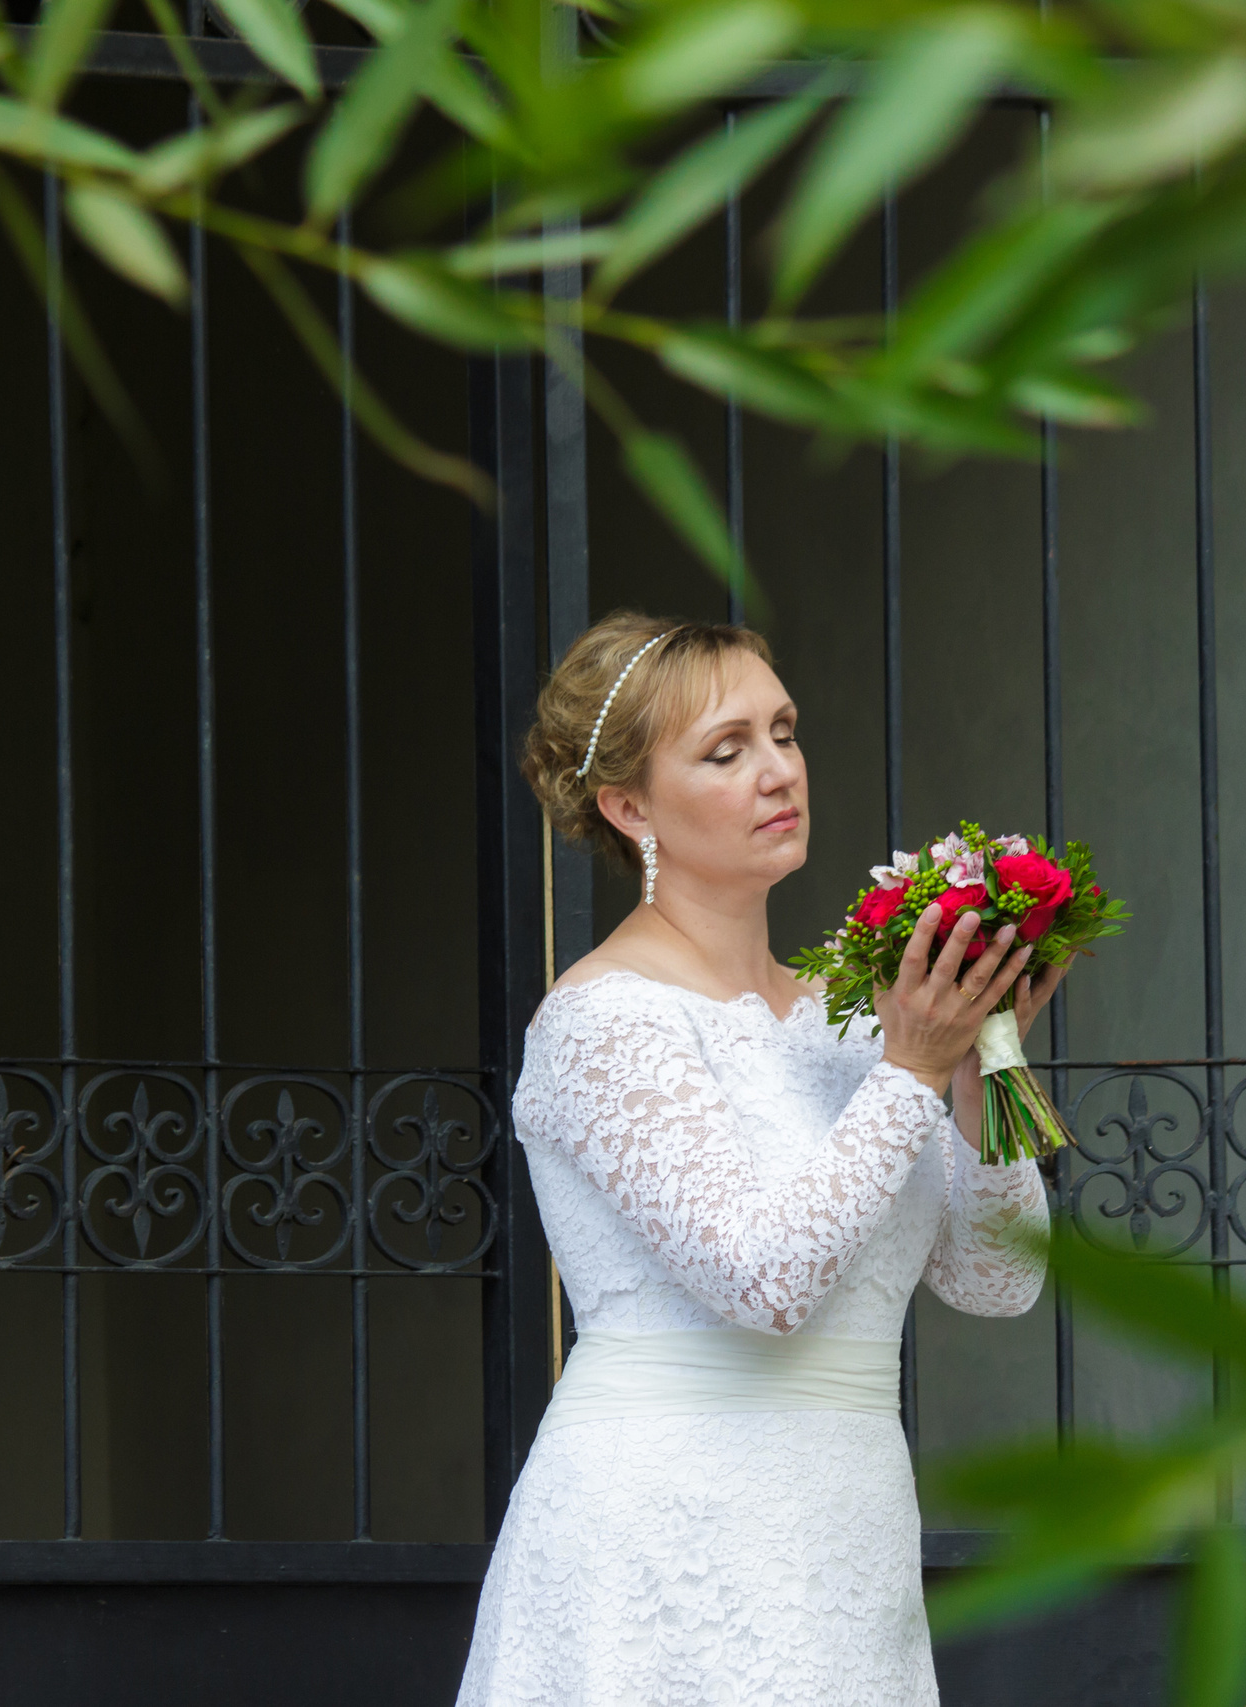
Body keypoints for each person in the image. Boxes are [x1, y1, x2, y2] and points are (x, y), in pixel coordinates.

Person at [455, 611, 1061, 1706]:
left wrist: (981, 1061)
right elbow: (762, 1280)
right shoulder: (603, 1023)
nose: (778, 771)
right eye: (726, 751)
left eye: (783, 733)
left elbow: (999, 1278)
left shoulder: (851, 1020)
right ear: (628, 807)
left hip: (845, 1537)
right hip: (665, 1540)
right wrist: (912, 1068)